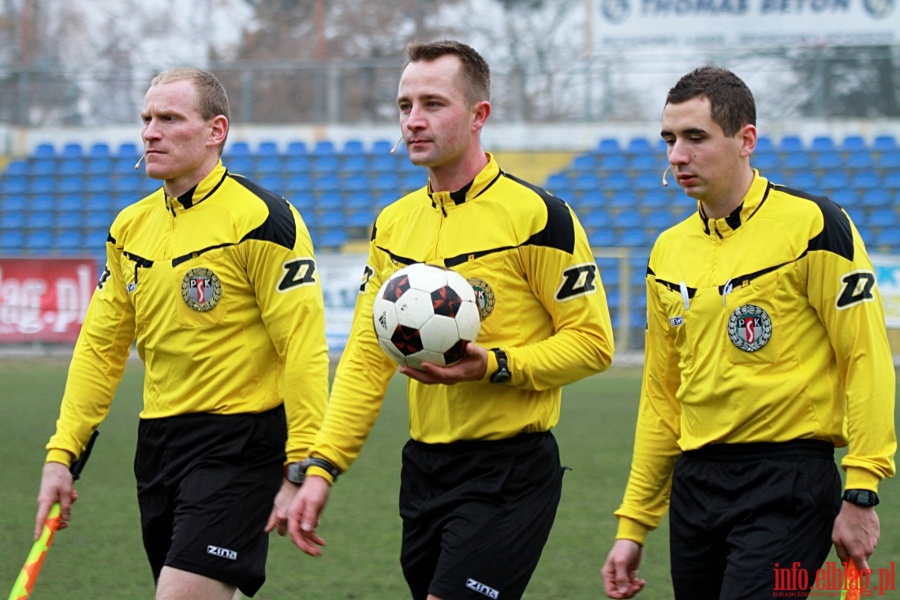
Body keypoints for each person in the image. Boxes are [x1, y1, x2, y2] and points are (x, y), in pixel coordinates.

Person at [283, 40, 614, 600]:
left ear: (479, 114)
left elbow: (593, 344)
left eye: (433, 104)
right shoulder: (394, 224)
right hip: (425, 469)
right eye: (405, 105)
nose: (413, 121)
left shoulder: (539, 217)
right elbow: (366, 356)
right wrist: (323, 467)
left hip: (510, 469)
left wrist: (495, 365)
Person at [33, 67, 329, 600]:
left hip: (241, 442)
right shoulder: (129, 228)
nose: (150, 132)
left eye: (169, 118)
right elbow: (100, 349)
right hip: (158, 445)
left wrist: (302, 462)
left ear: (215, 130)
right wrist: (62, 456)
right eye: (147, 118)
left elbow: (303, 346)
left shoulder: (263, 219)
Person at [601, 66, 897, 599]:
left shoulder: (814, 224)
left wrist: (863, 489)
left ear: (746, 140)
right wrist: (634, 523)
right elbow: (661, 397)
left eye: (695, 138)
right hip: (697, 486)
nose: (676, 156)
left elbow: (866, 359)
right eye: (669, 139)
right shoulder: (667, 250)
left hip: (788, 481)